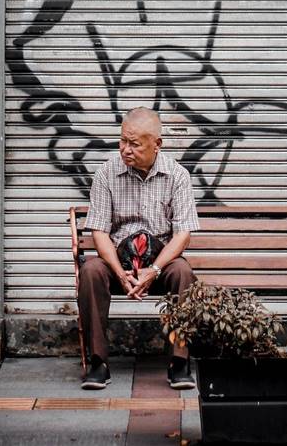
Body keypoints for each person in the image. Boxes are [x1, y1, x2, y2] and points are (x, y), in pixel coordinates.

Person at [78, 106, 200, 390]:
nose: (125, 150)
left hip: (159, 260)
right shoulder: (107, 173)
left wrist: (154, 270)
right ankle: (98, 362)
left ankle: (179, 363)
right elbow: (99, 231)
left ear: (157, 145)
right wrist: (120, 273)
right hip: (118, 261)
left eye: (134, 144)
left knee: (182, 271)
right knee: (91, 270)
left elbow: (182, 235)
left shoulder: (177, 176)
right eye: (122, 141)